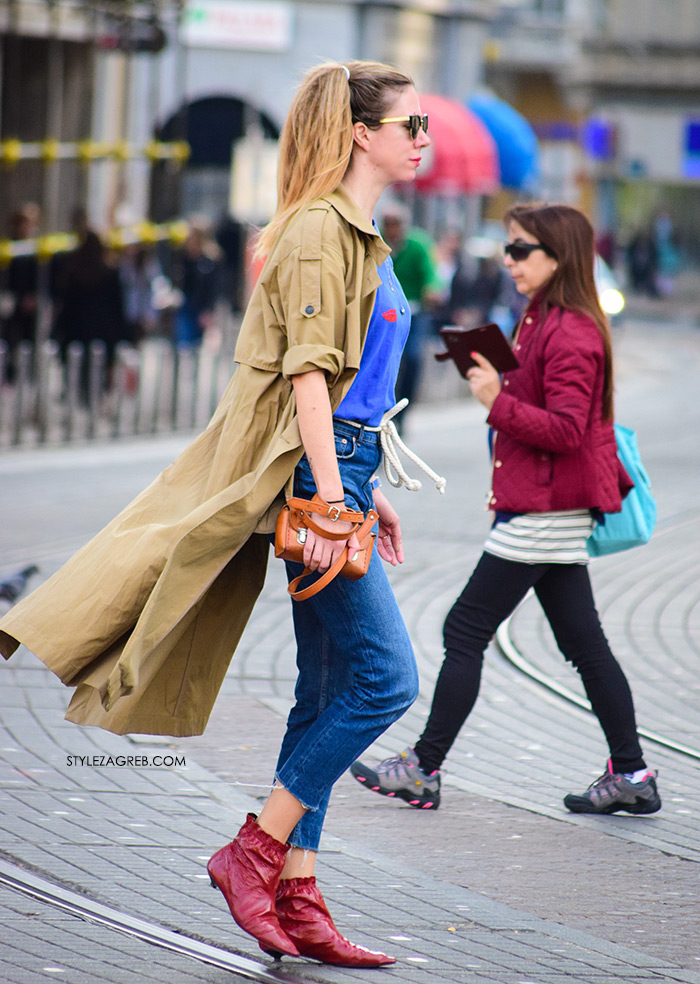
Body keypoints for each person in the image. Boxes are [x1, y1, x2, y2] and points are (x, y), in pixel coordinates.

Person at [0, 60, 438, 965]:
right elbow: (307, 377)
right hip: (321, 478)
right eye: (411, 123)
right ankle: (254, 851)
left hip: (344, 468)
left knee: (324, 691)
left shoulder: (361, 235)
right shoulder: (321, 230)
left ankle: (300, 890)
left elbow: (349, 393)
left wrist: (369, 487)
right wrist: (330, 491)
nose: (422, 137)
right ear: (362, 132)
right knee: (387, 681)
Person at [351, 203, 661, 818]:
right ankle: (632, 773)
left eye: (521, 250)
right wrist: (495, 374)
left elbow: (569, 429)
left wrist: (495, 399)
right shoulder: (541, 318)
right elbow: (541, 397)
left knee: (464, 630)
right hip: (546, 503)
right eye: (509, 249)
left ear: (558, 257)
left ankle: (423, 767)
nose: (508, 261)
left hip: (545, 507)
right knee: (585, 645)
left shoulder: (571, 329)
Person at [381, 204, 441, 416]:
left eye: (396, 224)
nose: (392, 229)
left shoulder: (418, 245)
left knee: (413, 357)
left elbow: (431, 273)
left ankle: (405, 408)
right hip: (386, 312)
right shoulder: (379, 243)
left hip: (414, 311)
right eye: (388, 224)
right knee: (382, 354)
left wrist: (432, 290)